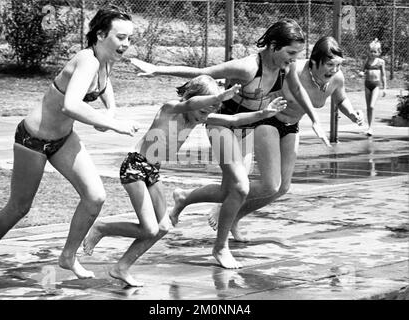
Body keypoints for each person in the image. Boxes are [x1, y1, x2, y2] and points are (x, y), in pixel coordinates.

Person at [130, 19, 329, 269]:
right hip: (223, 125)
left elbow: (298, 91)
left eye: (297, 54)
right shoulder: (247, 67)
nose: (293, 59)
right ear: (274, 46)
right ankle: (220, 247)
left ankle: (183, 198)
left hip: (247, 125)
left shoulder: (284, 68)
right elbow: (205, 72)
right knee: (241, 187)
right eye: (290, 53)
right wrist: (157, 69)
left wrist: (315, 119)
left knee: (230, 191)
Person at [82, 75, 287, 285]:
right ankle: (102, 228)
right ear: (192, 98)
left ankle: (121, 267)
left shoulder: (197, 118)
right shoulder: (170, 109)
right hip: (135, 167)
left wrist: (264, 113)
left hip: (152, 171)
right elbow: (190, 103)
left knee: (162, 228)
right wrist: (218, 95)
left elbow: (234, 120)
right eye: (202, 110)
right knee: (149, 228)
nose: (204, 116)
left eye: (209, 112)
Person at [0, 7, 137, 283]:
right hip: (32, 140)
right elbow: (71, 105)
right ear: (101, 34)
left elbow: (104, 87)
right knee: (19, 207)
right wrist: (116, 125)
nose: (126, 44)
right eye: (120, 37)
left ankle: (68, 256)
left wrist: (110, 112)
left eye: (129, 38)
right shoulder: (87, 60)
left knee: (95, 197)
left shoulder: (104, 60)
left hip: (62, 140)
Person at [172, 36, 365, 243]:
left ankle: (234, 216)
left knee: (282, 188)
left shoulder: (336, 78)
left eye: (337, 65)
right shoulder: (293, 69)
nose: (333, 70)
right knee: (269, 185)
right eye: (329, 65)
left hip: (292, 126)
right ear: (314, 61)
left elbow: (341, 97)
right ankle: (224, 204)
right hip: (269, 122)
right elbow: (256, 80)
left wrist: (352, 113)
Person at [362, 38, 387, 136]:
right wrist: (361, 73)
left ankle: (371, 127)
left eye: (375, 52)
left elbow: (384, 75)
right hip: (367, 84)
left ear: (379, 52)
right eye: (371, 51)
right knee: (368, 107)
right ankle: (369, 127)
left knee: (372, 106)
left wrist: (385, 88)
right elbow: (362, 71)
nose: (372, 53)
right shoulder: (367, 61)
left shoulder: (381, 62)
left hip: (376, 85)